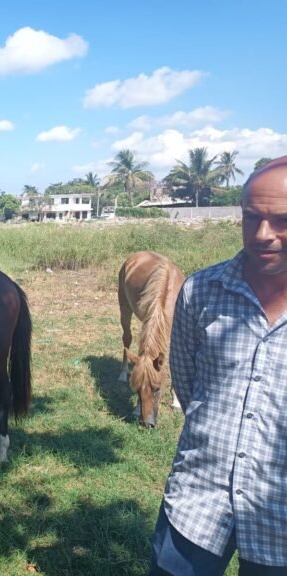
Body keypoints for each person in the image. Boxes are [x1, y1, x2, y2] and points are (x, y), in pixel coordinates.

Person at [150, 155, 287, 575]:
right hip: (197, 504)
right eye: (251, 218)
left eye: (282, 220)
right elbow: (189, 385)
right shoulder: (202, 291)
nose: (263, 234)